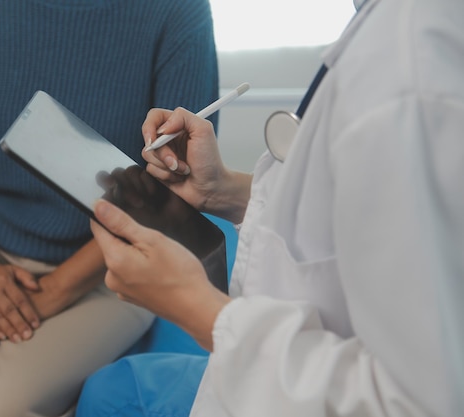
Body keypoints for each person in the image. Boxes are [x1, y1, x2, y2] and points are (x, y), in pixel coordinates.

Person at [77, 0, 464, 415]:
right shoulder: (391, 33)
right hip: (277, 356)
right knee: (112, 389)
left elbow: (418, 402)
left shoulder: (407, 70)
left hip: (285, 382)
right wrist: (222, 192)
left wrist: (195, 308)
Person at [0, 0, 219, 416]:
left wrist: (58, 288)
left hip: (118, 262)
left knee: (3, 410)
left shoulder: (176, 10)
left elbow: (174, 183)